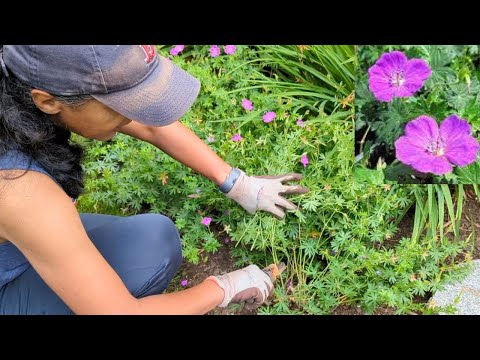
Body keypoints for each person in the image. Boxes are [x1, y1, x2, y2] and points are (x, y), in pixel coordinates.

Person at [0, 45, 309, 315]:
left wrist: (237, 182)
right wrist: (225, 287)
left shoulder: (18, 79)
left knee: (153, 240)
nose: (133, 115)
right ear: (47, 101)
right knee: (143, 263)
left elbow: (151, 126)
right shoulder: (18, 187)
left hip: (18, 237)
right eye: (120, 106)